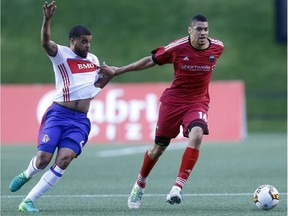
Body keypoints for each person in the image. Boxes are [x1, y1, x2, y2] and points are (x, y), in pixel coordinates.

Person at [98, 14, 224, 209]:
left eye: (206, 29)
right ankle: (140, 183)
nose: (203, 33)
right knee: (158, 149)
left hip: (197, 103)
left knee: (197, 135)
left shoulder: (217, 47)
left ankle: (177, 188)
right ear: (189, 30)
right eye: (198, 29)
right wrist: (118, 70)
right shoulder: (177, 47)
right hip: (173, 103)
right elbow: (149, 61)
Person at [9, 1, 110, 212]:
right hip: (58, 115)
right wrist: (47, 19)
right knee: (44, 159)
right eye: (83, 42)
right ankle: (27, 173)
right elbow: (45, 42)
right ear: (72, 41)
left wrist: (107, 78)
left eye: (90, 42)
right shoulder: (61, 54)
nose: (88, 46)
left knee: (64, 160)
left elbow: (95, 87)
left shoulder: (93, 59)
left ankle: (28, 200)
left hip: (80, 120)